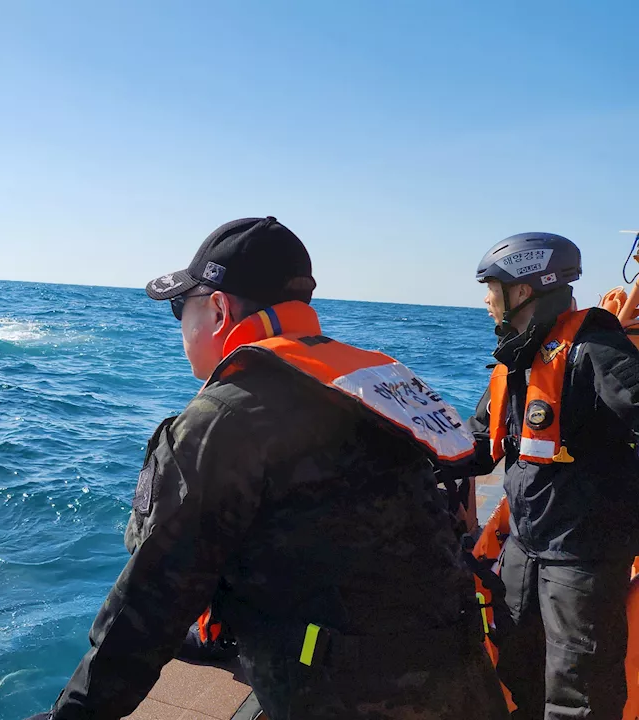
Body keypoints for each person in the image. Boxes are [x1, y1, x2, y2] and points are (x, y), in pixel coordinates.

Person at [30, 217, 508, 720]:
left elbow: (152, 599)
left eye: (179, 308)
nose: (179, 326)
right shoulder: (368, 385)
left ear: (218, 308)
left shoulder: (227, 415)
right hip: (464, 673)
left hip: (353, 698)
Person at [467, 232, 639, 720]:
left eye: (491, 287)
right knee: (518, 662)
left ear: (523, 291)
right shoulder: (518, 358)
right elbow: (477, 445)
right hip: (527, 542)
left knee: (579, 690)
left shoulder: (595, 346)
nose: (485, 299)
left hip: (583, 550)